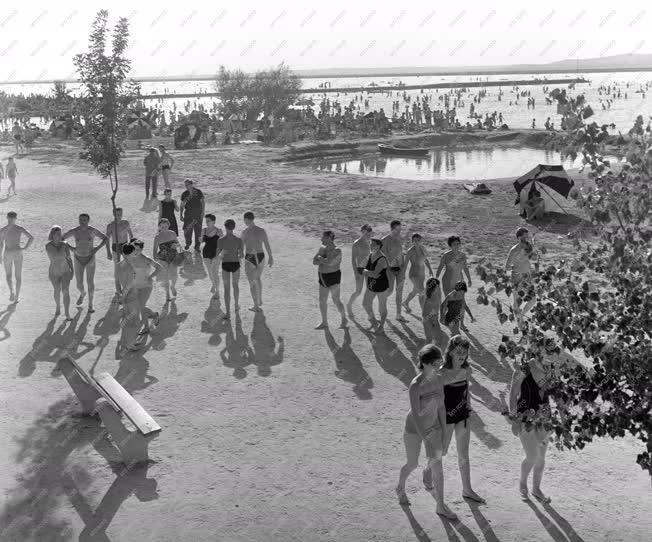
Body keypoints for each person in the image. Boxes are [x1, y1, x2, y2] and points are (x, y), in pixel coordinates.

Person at [396, 344, 457, 519]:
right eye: (435, 364)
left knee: (437, 465)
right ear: (425, 363)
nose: (438, 367)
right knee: (412, 464)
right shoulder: (415, 386)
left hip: (434, 428)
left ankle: (440, 506)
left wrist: (445, 434)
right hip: (415, 430)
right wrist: (426, 438)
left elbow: (442, 408)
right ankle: (400, 487)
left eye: (439, 363)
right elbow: (415, 415)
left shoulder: (438, 379)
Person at [439, 335, 485, 505]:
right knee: (442, 451)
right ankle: (427, 471)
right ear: (450, 351)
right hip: (447, 417)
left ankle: (467, 489)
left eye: (464, 352)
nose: (461, 355)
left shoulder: (467, 370)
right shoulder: (441, 372)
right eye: (458, 351)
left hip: (463, 416)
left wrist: (469, 408)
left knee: (463, 454)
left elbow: (466, 391)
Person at [507, 356, 552, 503]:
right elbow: (513, 395)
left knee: (541, 459)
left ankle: (536, 489)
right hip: (524, 418)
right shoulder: (523, 369)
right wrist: (513, 420)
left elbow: (550, 394)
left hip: (544, 418)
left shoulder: (549, 367)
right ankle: (522, 482)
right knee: (532, 456)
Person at [63, 214, 108, 313]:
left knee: (90, 281)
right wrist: (70, 248)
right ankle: (83, 294)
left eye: (84, 220)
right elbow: (62, 238)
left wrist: (96, 249)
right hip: (78, 258)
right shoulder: (75, 231)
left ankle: (90, 305)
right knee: (79, 284)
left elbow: (105, 238)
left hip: (90, 258)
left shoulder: (92, 231)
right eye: (81, 220)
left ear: (88, 221)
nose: (82, 222)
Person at [120, 240, 161, 335]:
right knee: (140, 306)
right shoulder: (131, 259)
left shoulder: (146, 259)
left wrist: (150, 277)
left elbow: (159, 268)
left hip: (146, 286)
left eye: (138, 249)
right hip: (135, 286)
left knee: (140, 306)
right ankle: (153, 316)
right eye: (134, 249)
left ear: (142, 249)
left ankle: (147, 325)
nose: (135, 251)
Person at [313, 231, 348, 330]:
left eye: (323, 237)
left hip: (333, 277)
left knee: (336, 300)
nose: (321, 239)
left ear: (329, 238)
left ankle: (344, 319)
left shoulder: (337, 250)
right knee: (322, 299)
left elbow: (330, 263)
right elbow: (314, 262)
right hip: (322, 277)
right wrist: (322, 259)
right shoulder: (322, 248)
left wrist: (320, 258)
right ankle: (324, 322)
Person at [241, 211, 274, 312]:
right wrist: (271, 257)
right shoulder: (261, 231)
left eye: (244, 220)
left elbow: (241, 248)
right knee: (258, 278)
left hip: (250, 257)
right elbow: (267, 244)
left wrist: (239, 257)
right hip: (260, 256)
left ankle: (256, 306)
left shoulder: (245, 232)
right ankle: (259, 300)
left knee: (252, 282)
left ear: (246, 220)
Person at [505, 227, 539, 320]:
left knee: (533, 300)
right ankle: (518, 318)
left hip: (527, 276)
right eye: (525, 236)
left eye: (527, 236)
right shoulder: (514, 250)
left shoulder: (529, 247)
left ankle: (521, 314)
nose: (527, 238)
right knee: (516, 302)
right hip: (517, 277)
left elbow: (533, 259)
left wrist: (534, 255)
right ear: (519, 237)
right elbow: (507, 266)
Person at [0, 211, 34, 303]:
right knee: (18, 276)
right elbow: (31, 237)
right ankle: (17, 297)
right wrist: (25, 247)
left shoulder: (3, 230)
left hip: (8, 253)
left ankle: (11, 291)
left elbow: (1, 245)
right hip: (18, 252)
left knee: (8, 275)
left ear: (7, 218)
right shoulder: (19, 228)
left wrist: (0, 256)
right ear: (16, 218)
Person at [216, 219, 244, 320]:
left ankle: (228, 313)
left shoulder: (221, 240)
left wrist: (222, 253)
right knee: (235, 286)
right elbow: (242, 255)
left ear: (225, 227)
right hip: (236, 264)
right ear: (234, 227)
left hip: (225, 264)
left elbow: (218, 255)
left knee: (227, 289)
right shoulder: (239, 240)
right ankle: (236, 305)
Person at [361, 238, 390, 332]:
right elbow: (367, 270)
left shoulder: (382, 258)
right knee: (365, 303)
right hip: (371, 285)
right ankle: (374, 322)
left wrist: (364, 271)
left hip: (381, 286)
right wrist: (366, 272)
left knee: (381, 308)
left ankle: (381, 326)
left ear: (378, 246)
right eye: (370, 244)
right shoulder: (370, 255)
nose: (370, 245)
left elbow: (375, 274)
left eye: (372, 244)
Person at [45, 225, 74, 320]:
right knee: (57, 290)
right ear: (52, 235)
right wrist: (64, 244)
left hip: (65, 271)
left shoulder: (64, 244)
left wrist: (72, 270)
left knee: (66, 291)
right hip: (54, 272)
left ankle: (67, 313)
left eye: (60, 234)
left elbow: (69, 258)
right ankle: (58, 306)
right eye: (57, 234)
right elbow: (57, 256)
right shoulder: (48, 246)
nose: (59, 236)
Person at [382, 220, 408, 322]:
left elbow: (402, 254)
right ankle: (382, 305)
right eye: (398, 229)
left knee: (400, 291)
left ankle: (398, 314)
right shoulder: (385, 240)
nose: (399, 231)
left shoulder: (400, 240)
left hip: (400, 268)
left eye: (400, 229)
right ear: (392, 229)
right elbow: (382, 256)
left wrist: (403, 267)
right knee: (390, 290)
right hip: (390, 269)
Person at [105, 207, 133, 296]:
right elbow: (107, 239)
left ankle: (128, 286)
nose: (119, 216)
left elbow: (131, 235)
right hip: (115, 247)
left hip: (125, 246)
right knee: (117, 268)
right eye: (117, 214)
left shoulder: (126, 223)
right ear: (113, 214)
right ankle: (118, 289)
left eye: (120, 214)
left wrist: (132, 247)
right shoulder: (110, 226)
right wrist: (108, 252)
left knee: (128, 266)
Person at [347, 224, 373, 315]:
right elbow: (353, 260)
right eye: (366, 232)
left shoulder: (369, 242)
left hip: (368, 269)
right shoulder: (356, 243)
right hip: (360, 269)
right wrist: (356, 274)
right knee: (358, 291)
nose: (368, 234)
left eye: (369, 232)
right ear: (362, 232)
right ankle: (349, 305)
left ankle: (368, 310)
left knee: (370, 290)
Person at [403, 233, 433, 312]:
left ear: (421, 241)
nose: (416, 242)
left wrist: (430, 269)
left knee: (415, 291)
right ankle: (425, 311)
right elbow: (405, 264)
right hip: (414, 274)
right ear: (412, 241)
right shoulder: (410, 251)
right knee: (422, 292)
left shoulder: (423, 249)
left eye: (418, 240)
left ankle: (405, 303)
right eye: (415, 240)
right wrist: (402, 275)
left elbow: (425, 260)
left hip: (421, 274)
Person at [153, 219, 181, 302]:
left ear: (168, 225)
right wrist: (155, 260)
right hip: (162, 258)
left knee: (174, 276)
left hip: (173, 256)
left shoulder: (172, 233)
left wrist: (175, 245)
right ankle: (167, 295)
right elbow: (154, 250)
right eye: (162, 227)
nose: (164, 228)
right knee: (165, 277)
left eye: (165, 226)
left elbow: (178, 244)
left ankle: (172, 286)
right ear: (159, 227)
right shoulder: (157, 237)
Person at [180, 179, 205, 251]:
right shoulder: (184, 194)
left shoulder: (198, 192)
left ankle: (197, 246)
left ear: (191, 184)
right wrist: (181, 215)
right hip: (188, 215)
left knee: (198, 231)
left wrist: (203, 212)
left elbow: (203, 202)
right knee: (187, 230)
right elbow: (182, 205)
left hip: (198, 215)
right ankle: (188, 243)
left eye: (187, 185)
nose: (186, 186)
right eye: (185, 185)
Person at [202, 214, 223, 300]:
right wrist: (200, 239)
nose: (207, 222)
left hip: (216, 253)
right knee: (210, 273)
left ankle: (217, 292)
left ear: (213, 221)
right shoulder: (204, 230)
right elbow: (201, 240)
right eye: (206, 221)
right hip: (206, 253)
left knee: (215, 272)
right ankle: (214, 284)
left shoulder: (219, 231)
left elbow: (223, 243)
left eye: (208, 221)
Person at [422, 278, 442, 344]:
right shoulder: (433, 296)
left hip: (430, 317)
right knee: (432, 338)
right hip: (430, 317)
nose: (439, 288)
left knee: (430, 339)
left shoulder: (428, 295)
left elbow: (425, 309)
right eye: (438, 287)